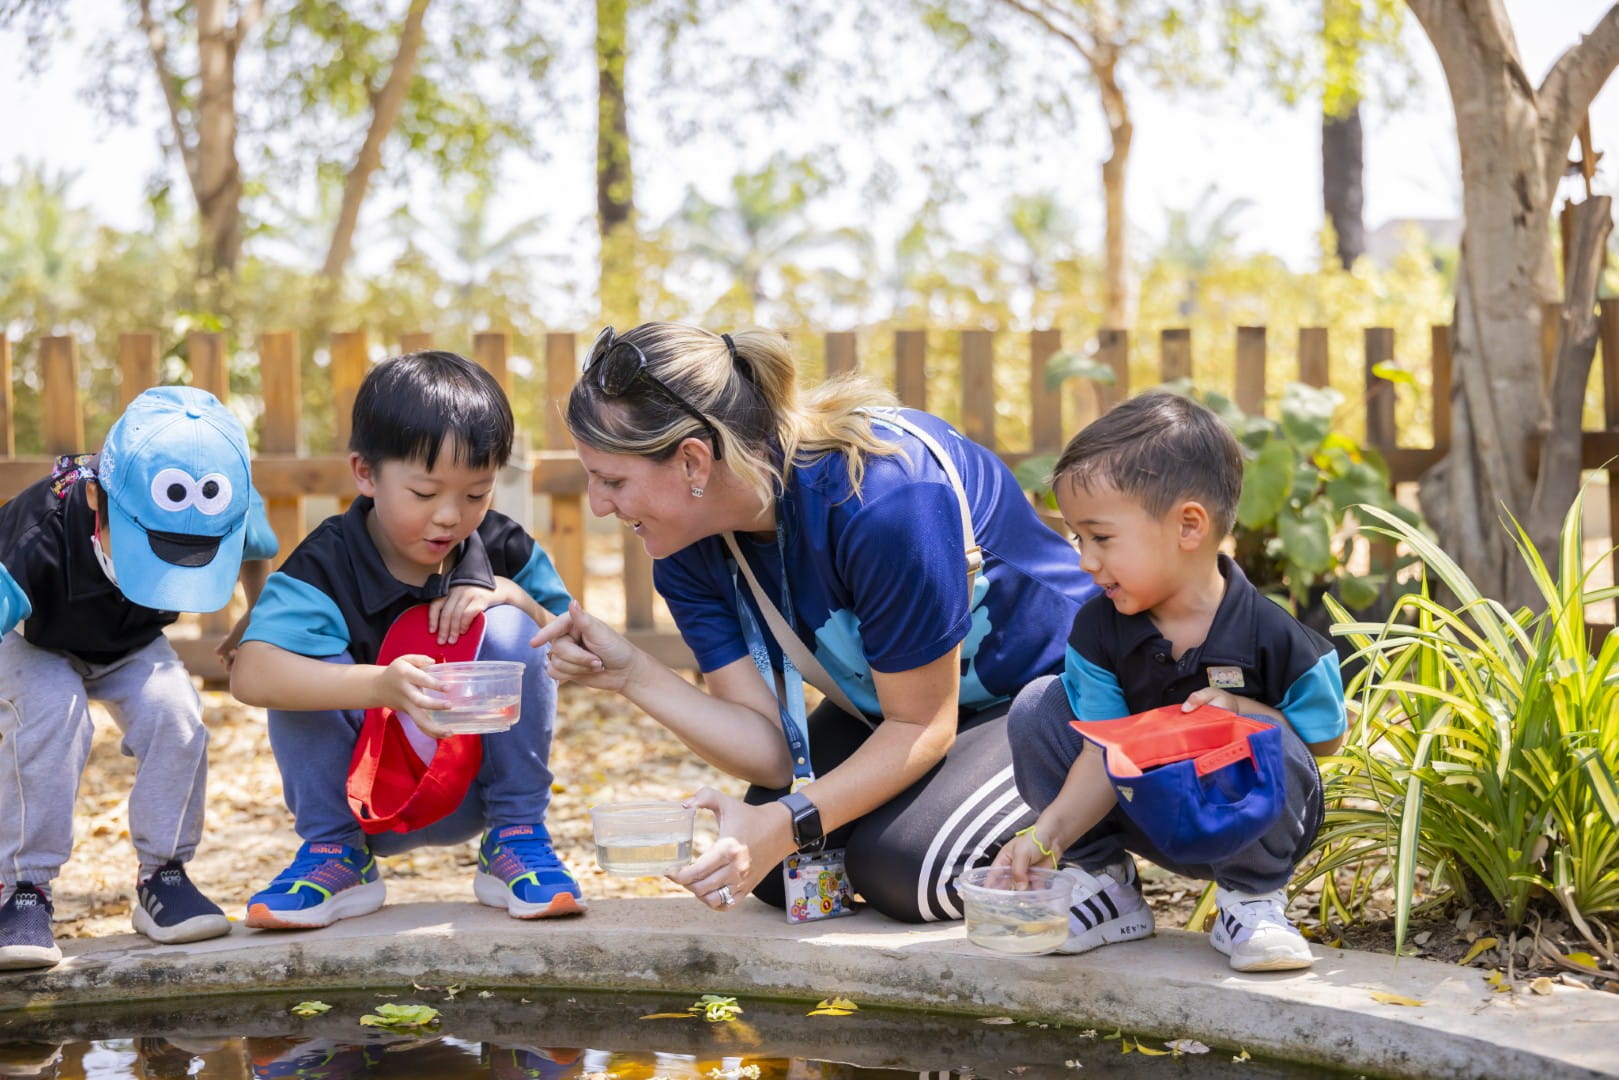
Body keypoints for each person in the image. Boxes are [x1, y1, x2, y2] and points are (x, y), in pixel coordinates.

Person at [534, 323, 1097, 922]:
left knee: (905, 867)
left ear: (693, 459)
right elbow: (772, 752)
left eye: (612, 480)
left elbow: (922, 726)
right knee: (780, 871)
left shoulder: (880, 497)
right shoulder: (685, 549)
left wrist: (786, 821)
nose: (597, 503)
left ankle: (1094, 852)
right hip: (909, 711)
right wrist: (631, 674)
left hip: (1054, 701)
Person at [996, 389, 1347, 971]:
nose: (1085, 560)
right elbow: (1099, 752)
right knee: (1040, 705)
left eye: (1101, 538)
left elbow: (1323, 741)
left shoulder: (1273, 635)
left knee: (1265, 730)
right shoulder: (1099, 631)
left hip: (1243, 821)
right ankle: (1106, 887)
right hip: (1145, 811)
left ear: (1188, 526)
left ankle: (1251, 903)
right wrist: (1045, 837)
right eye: (1079, 539)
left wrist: (1247, 714)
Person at [231, 350, 581, 929]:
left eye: (476, 494)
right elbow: (251, 674)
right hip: (364, 796)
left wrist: (517, 599)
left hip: (476, 787)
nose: (450, 516)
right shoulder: (326, 563)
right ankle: (335, 854)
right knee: (295, 665)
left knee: (519, 625)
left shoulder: (502, 546)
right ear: (365, 473)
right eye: (425, 494)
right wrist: (382, 686)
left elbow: (581, 647)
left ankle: (516, 838)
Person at [0, 386, 276, 971]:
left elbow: (254, 545)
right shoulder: (33, 541)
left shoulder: (221, 501)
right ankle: (23, 889)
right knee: (56, 716)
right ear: (99, 500)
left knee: (177, 715)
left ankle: (164, 875)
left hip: (130, 643)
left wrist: (256, 613)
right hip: (37, 639)